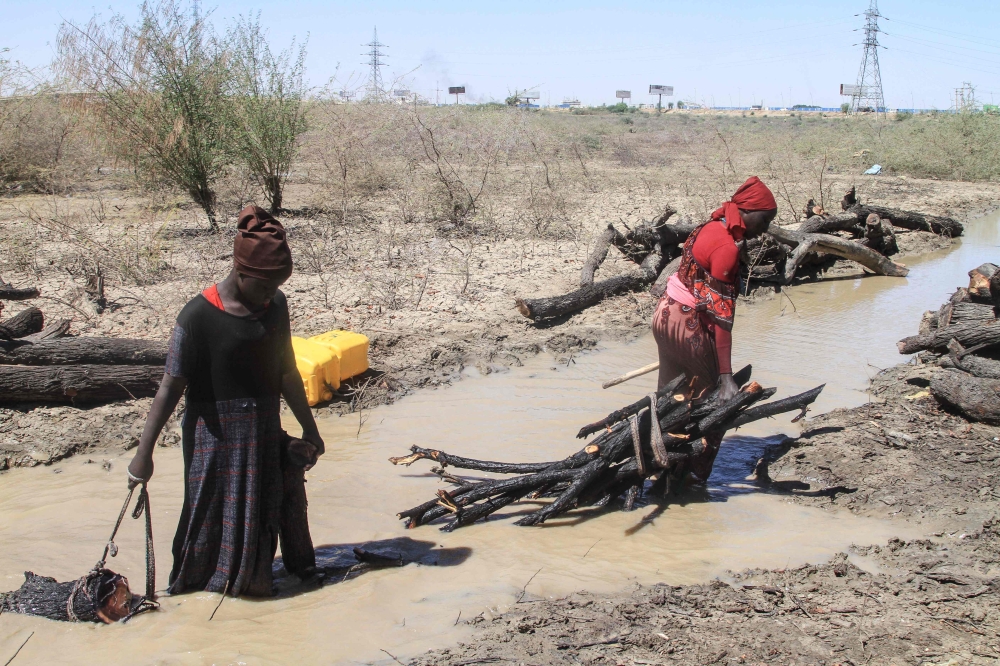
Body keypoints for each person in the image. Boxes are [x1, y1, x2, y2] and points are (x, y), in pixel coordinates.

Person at [127, 205, 325, 597]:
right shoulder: (197, 317)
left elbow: (286, 371)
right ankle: (196, 590)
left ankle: (251, 586)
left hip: (263, 429)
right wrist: (143, 454)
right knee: (207, 518)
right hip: (212, 440)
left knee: (260, 515)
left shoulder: (276, 306)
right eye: (264, 286)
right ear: (241, 274)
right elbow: (170, 387)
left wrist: (310, 427)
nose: (271, 295)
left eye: (276, 287)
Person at [652, 176, 778, 483]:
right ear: (748, 211)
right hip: (689, 329)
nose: (768, 227)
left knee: (670, 402)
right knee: (713, 411)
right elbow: (722, 319)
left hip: (664, 316)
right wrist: (725, 377)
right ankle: (692, 482)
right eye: (766, 218)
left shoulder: (711, 225)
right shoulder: (726, 247)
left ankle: (659, 471)